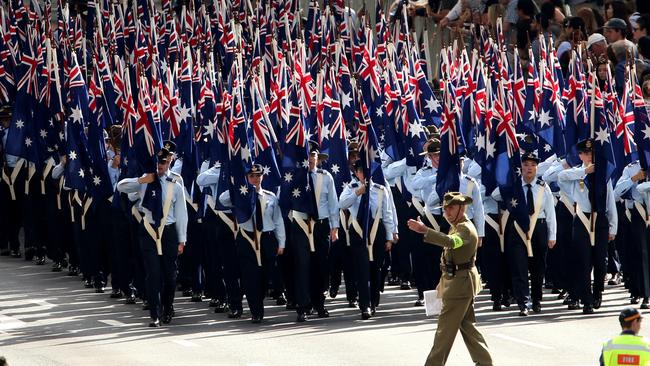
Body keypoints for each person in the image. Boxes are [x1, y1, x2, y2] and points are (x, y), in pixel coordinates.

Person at [408, 192, 493, 366]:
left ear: (462, 208)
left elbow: (451, 242)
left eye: (451, 208)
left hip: (459, 287)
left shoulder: (465, 229)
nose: (447, 212)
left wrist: (425, 230)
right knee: (469, 329)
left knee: (444, 334)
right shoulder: (458, 225)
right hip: (459, 283)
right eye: (445, 209)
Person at [117, 146, 188, 327]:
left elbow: (181, 214)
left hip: (169, 232)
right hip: (149, 231)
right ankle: (154, 313)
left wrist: (182, 240)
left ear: (169, 161)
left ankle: (167, 306)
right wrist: (142, 179)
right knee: (153, 274)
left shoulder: (175, 184)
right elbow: (121, 186)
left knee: (170, 276)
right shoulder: (146, 180)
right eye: (157, 162)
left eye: (163, 162)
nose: (160, 166)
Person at [219, 164, 286, 324]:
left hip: (267, 238)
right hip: (247, 238)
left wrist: (281, 242)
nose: (255, 179)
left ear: (262, 177)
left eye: (258, 176)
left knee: (265, 276)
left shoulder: (270, 197)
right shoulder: (241, 195)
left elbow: (277, 221)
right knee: (250, 276)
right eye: (251, 176)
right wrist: (238, 187)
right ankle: (256, 311)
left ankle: (259, 298)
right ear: (247, 178)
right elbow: (222, 200)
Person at [558, 139, 617, 314]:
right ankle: (586, 300)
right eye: (586, 153)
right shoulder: (577, 173)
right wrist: (584, 171)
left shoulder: (603, 175)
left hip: (600, 221)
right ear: (580, 155)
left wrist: (613, 227)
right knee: (583, 261)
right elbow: (560, 177)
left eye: (592, 153)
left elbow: (610, 202)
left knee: (600, 261)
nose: (589, 156)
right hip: (582, 220)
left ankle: (598, 290)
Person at [339, 159, 396, 319]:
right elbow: (341, 204)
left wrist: (389, 237)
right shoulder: (351, 188)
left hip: (376, 231)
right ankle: (365, 306)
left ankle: (373, 300)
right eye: (361, 171)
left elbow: (387, 214)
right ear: (356, 173)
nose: (364, 174)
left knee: (375, 269)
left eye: (366, 171)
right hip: (358, 232)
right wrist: (358, 192)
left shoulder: (380, 189)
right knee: (362, 270)